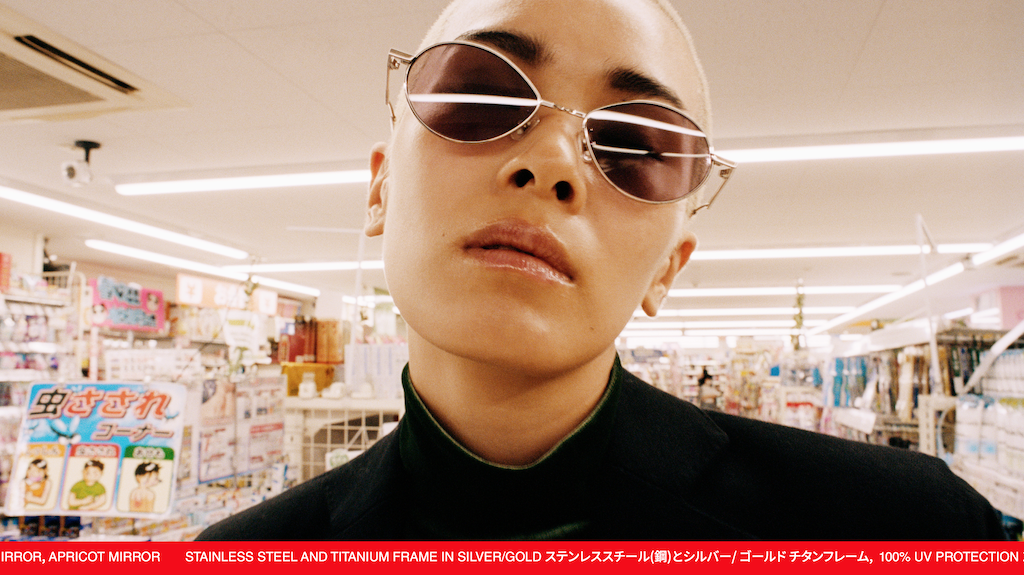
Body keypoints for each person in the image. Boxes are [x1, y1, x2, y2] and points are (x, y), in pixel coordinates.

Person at [199, 0, 1005, 540]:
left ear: (668, 269)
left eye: (637, 146)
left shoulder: (905, 528)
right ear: (380, 188)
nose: (552, 164)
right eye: (483, 96)